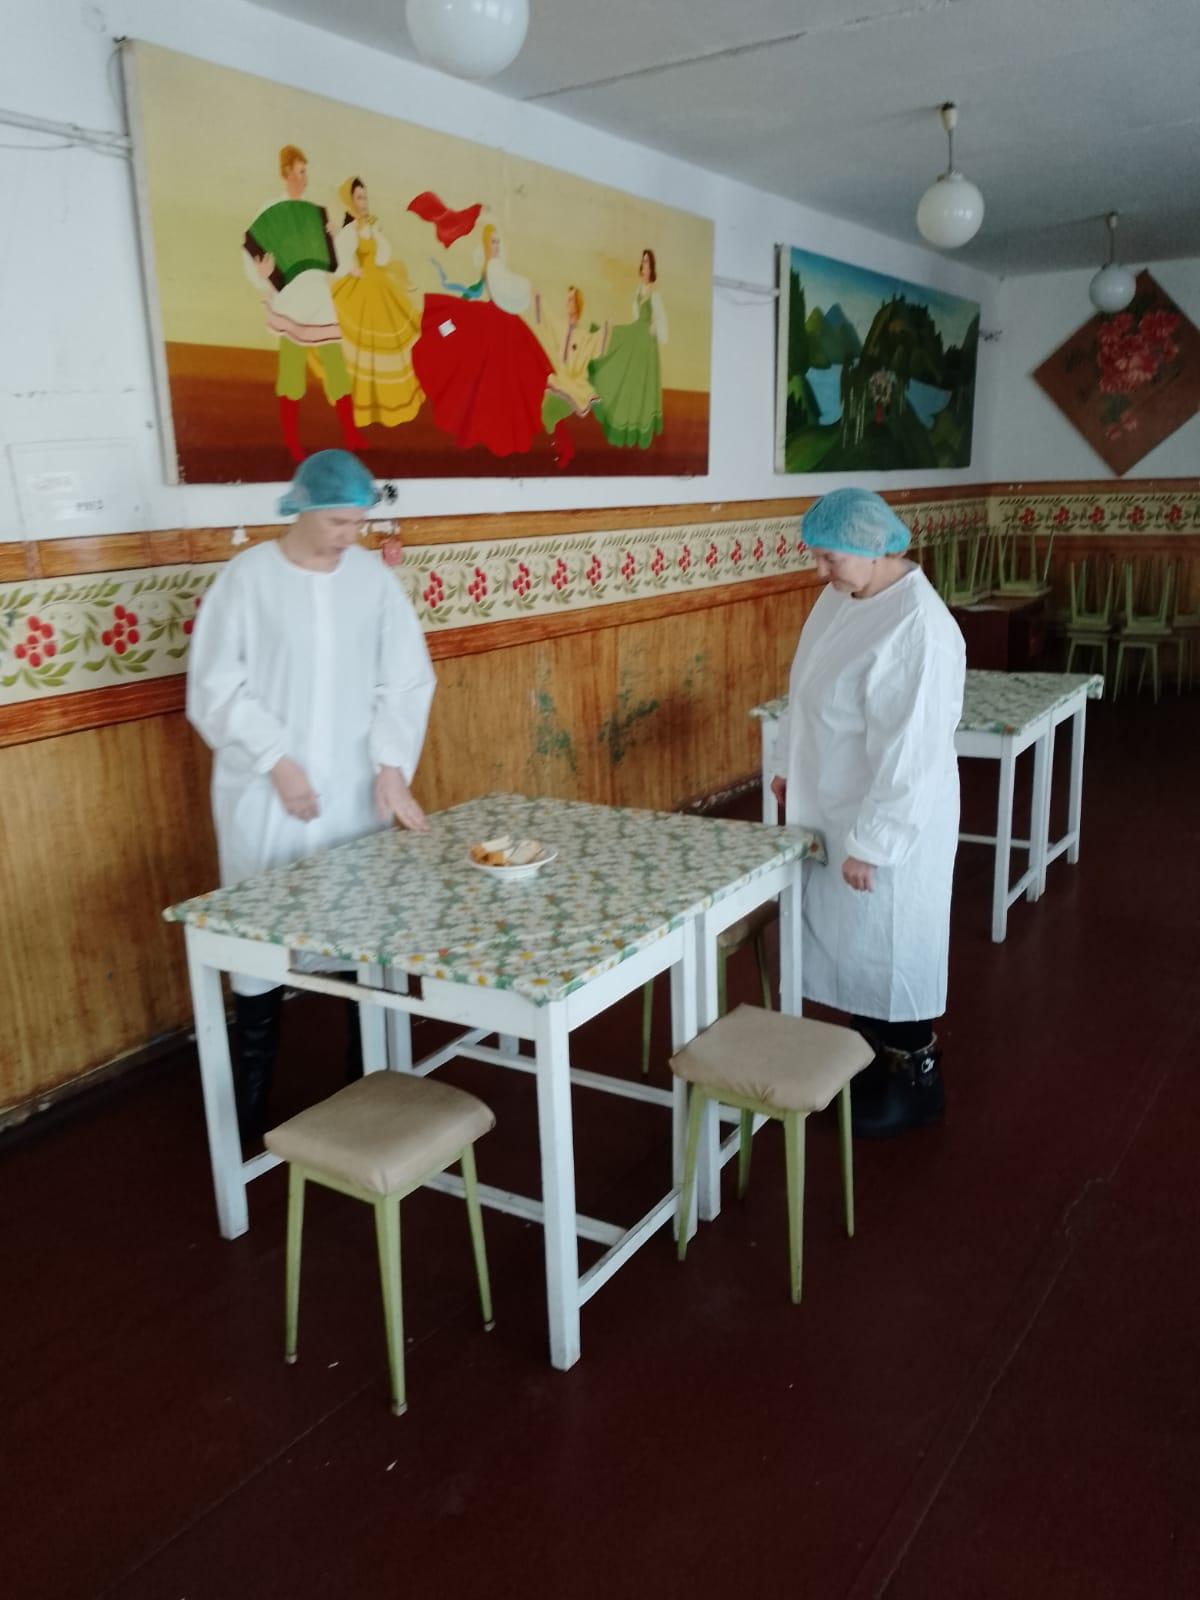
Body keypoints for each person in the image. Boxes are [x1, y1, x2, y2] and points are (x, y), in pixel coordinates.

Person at [186, 450, 436, 1144]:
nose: (350, 536)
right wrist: (275, 760)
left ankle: (369, 1092)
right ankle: (248, 1119)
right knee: (258, 939)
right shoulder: (248, 580)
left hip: (354, 793)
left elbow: (405, 679)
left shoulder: (371, 582)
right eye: (337, 522)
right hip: (264, 796)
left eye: (358, 522)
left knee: (359, 933)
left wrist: (391, 765)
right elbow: (215, 687)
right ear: (300, 509)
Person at [770, 488, 965, 1139]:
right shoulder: (844, 597)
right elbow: (806, 689)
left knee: (890, 946)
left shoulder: (918, 628)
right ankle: (872, 1060)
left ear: (875, 547)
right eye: (817, 557)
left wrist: (874, 844)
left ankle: (916, 1082)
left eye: (828, 558)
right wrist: (787, 765)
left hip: (889, 822)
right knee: (855, 947)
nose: (818, 571)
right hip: (835, 801)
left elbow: (912, 754)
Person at [242, 145, 366, 463]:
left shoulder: (316, 212)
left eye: (305, 172)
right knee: (291, 373)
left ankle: (351, 435)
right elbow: (253, 257)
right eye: (300, 172)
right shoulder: (269, 210)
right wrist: (262, 275)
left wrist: (334, 240)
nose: (305, 178)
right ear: (286, 173)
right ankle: (292, 441)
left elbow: (334, 264)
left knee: (335, 367)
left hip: (318, 297)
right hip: (290, 301)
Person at [410, 222, 552, 458]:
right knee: (485, 375)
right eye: (492, 242)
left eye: (497, 242)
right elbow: (503, 290)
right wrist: (528, 287)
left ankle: (494, 429)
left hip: (502, 323)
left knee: (502, 378)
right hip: (495, 320)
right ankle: (485, 429)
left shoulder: (497, 266)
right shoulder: (493, 267)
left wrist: (528, 290)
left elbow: (508, 289)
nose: (495, 246)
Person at [327, 176, 424, 430]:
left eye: (365, 197)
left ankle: (389, 400)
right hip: (360, 290)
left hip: (379, 284)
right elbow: (339, 261)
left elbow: (383, 256)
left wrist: (377, 235)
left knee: (392, 343)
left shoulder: (371, 226)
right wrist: (352, 269)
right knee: (363, 348)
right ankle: (361, 404)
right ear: (350, 201)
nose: (364, 202)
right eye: (359, 198)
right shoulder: (350, 231)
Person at [587, 249, 668, 450]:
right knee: (620, 356)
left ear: (652, 267)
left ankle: (638, 428)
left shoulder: (655, 293)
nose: (644, 266)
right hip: (637, 335)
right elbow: (635, 313)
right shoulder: (639, 289)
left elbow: (660, 320)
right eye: (643, 262)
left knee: (641, 383)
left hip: (646, 342)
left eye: (647, 262)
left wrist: (652, 329)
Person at [533, 284, 610, 468]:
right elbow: (547, 319)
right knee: (547, 411)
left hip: (573, 385)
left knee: (551, 410)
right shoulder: (560, 328)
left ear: (577, 304)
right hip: (559, 381)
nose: (567, 303)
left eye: (571, 300)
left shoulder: (583, 336)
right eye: (567, 300)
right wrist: (537, 298)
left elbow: (596, 344)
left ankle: (562, 450)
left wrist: (608, 328)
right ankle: (561, 450)